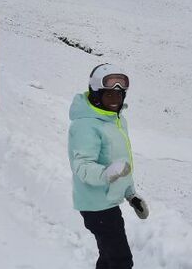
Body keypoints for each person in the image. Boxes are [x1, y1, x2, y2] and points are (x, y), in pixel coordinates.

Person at [68, 63, 149, 269]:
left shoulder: (116, 120)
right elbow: (82, 166)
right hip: (96, 205)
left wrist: (131, 194)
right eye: (109, 96)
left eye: (119, 96)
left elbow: (121, 163)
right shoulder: (86, 124)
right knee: (121, 261)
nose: (115, 101)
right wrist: (106, 174)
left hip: (108, 201)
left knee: (108, 258)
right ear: (96, 95)